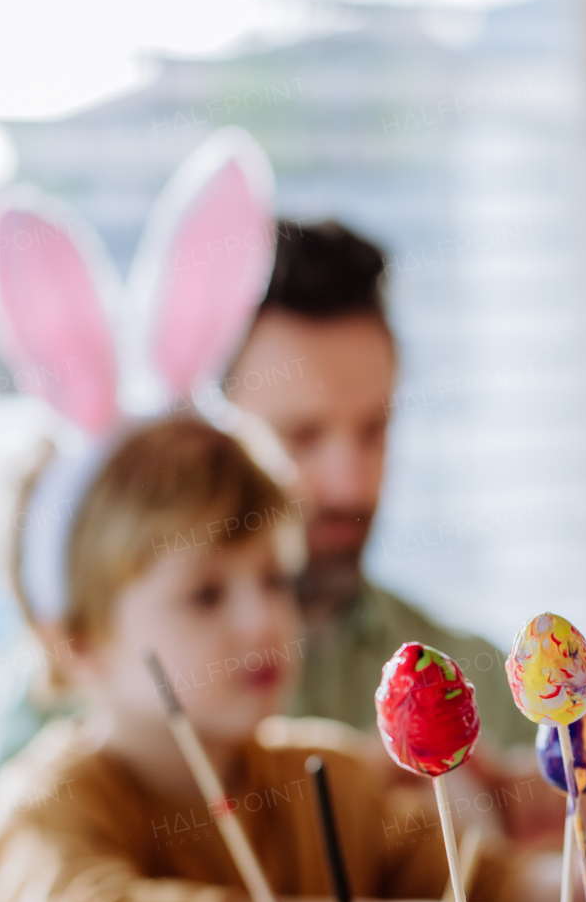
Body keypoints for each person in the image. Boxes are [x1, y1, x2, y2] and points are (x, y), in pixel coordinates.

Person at [0, 418, 561, 902]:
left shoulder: (322, 775)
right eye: (206, 594)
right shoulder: (39, 813)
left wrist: (583, 882)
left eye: (276, 580)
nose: (262, 621)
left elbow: (476, 885)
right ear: (77, 642)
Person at [223, 219, 531, 756]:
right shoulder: (103, 697)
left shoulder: (488, 697)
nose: (351, 485)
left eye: (374, 430)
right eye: (302, 438)